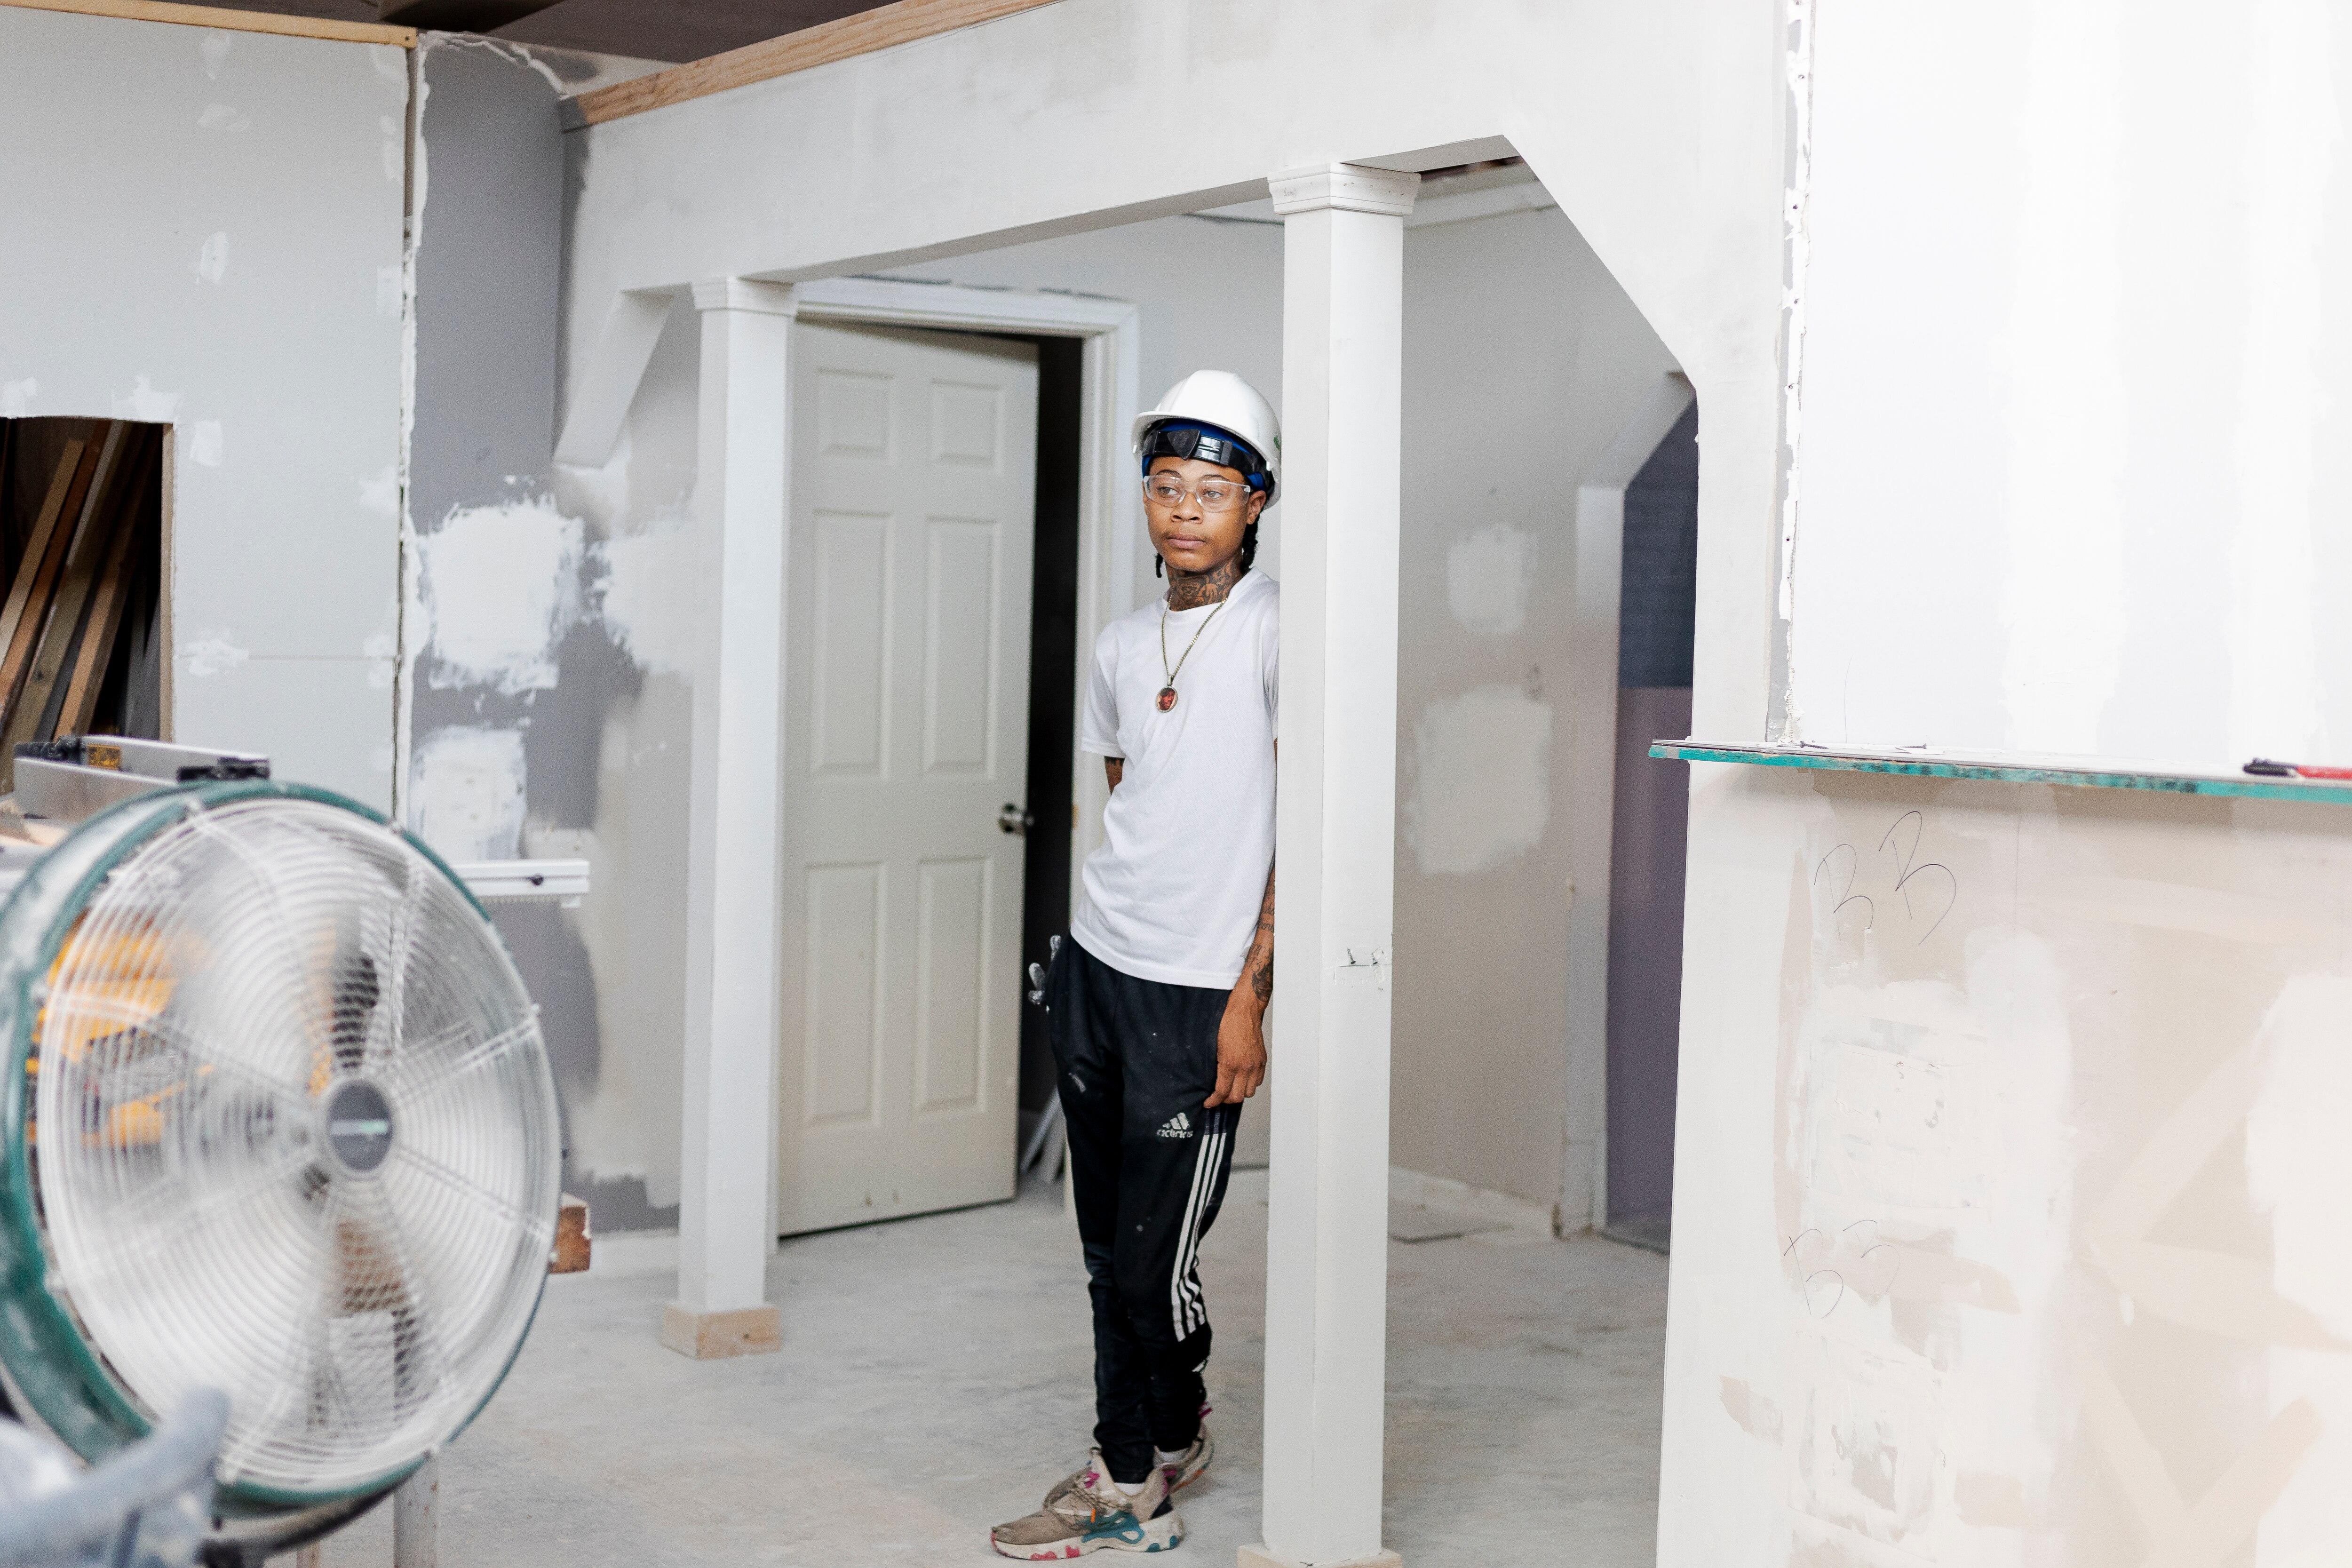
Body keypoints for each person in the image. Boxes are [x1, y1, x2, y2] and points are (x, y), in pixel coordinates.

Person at [990, 372, 1282, 1560]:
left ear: (1254, 503)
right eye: (1165, 486)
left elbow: (1298, 826)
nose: (1183, 510)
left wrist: (1250, 995)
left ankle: (1126, 1481)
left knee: (1153, 1261)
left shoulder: (1278, 633)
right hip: (1098, 964)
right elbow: (1134, 798)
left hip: (1198, 994)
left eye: (1211, 489)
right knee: (1108, 1246)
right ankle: (1168, 1426)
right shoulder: (1121, 643)